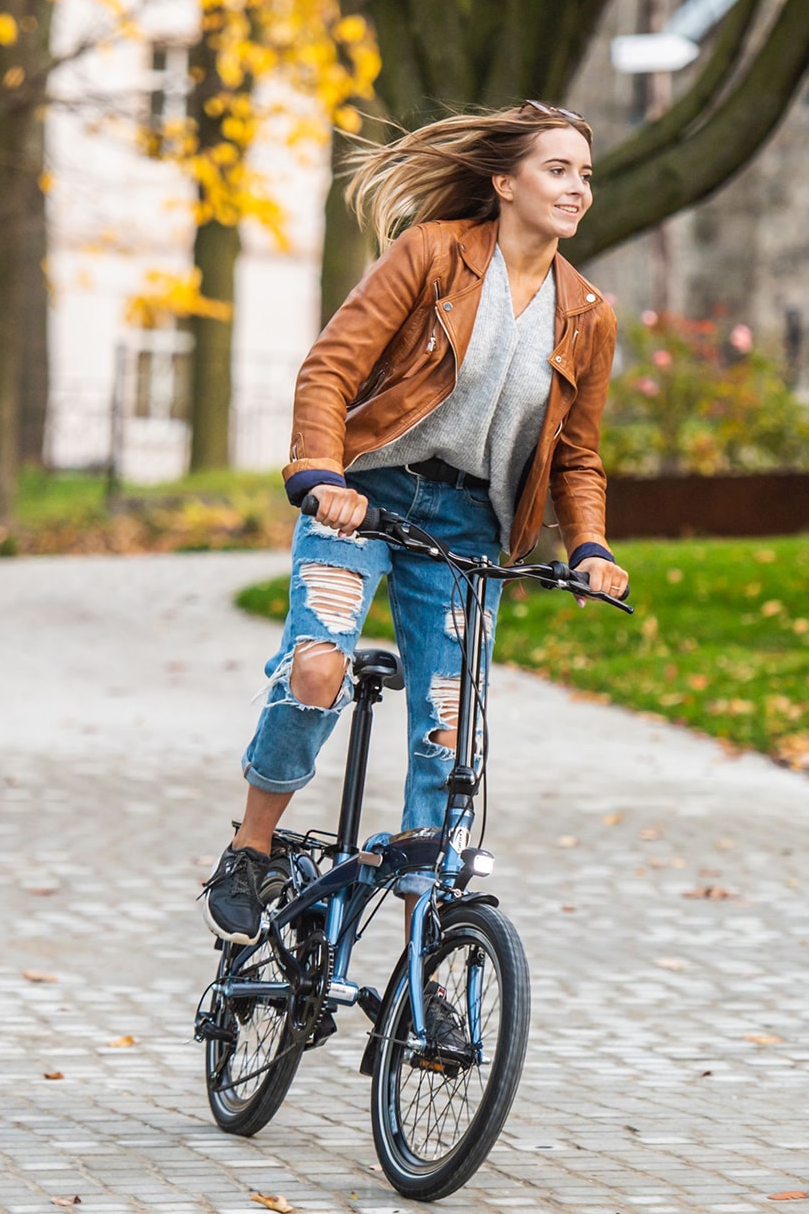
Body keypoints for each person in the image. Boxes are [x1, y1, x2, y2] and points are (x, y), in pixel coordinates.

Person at [203, 101, 631, 945]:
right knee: (317, 669)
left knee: (447, 729)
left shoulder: (587, 313)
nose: (577, 187)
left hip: (470, 523)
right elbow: (332, 367)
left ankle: (423, 956)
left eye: (585, 173)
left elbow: (577, 454)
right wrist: (321, 473)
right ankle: (250, 850)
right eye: (558, 169)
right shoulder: (432, 253)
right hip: (365, 495)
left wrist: (590, 545)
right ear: (504, 183)